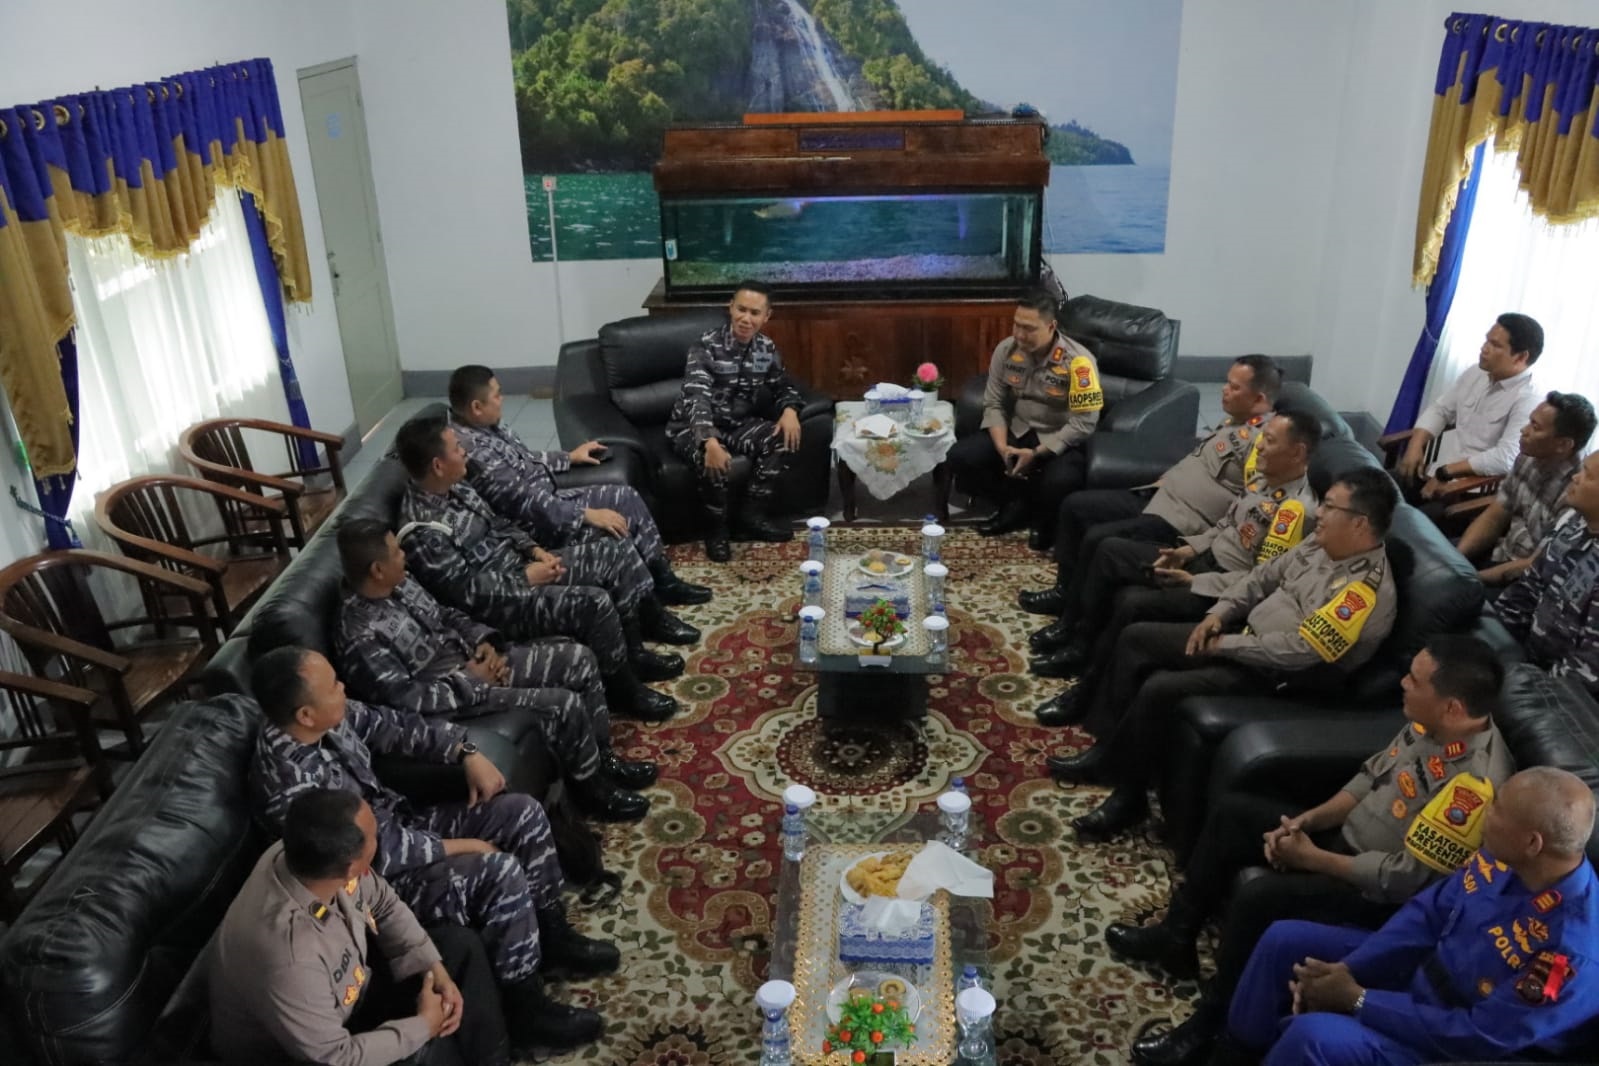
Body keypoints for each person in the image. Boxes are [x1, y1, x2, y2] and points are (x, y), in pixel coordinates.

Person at [1113, 637, 1512, 1066]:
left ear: (1452, 707)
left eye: (1414, 681)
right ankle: (1176, 936)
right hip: (1343, 842)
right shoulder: (1426, 722)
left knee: (1259, 899)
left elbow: (1404, 878)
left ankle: (1210, 1026)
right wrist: (1305, 822)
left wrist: (1312, 859)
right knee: (1236, 815)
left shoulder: (1474, 788)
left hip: (1375, 897)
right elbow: (1368, 779)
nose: (1402, 683)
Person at [248, 647, 611, 1051]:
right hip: (371, 886)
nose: (342, 687)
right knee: (499, 873)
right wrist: (465, 846)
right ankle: (526, 1011)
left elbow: (397, 727)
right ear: (305, 715)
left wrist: (465, 751)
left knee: (521, 814)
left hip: (401, 824)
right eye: (333, 685)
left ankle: (553, 937)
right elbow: (371, 856)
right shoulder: (289, 785)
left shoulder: (329, 716)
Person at [1054, 467, 1401, 840]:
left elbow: (1299, 652)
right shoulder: (1323, 542)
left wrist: (1225, 645)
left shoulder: (1362, 592)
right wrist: (1219, 613)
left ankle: (1129, 797)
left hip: (1280, 678)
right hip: (1243, 637)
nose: (1319, 512)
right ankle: (1108, 750)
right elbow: (1263, 577)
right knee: (1137, 638)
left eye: (1330, 506)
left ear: (1360, 523)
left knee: (1161, 687)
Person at [1226, 767, 1599, 1065]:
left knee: (1313, 1039)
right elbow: (1425, 917)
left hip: (1458, 1041)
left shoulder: (1571, 952)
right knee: (1283, 941)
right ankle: (1233, 1050)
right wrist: (1346, 971)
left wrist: (1358, 999)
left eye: (1497, 810)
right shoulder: (1500, 857)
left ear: (1531, 843)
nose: (1485, 815)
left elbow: (1479, 1036)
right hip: (1421, 976)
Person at [334, 519, 656, 821]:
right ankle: (594, 792)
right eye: (396, 552)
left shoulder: (401, 583)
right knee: (564, 704)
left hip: (476, 663)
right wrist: (471, 680)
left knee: (579, 660)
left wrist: (483, 641)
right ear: (377, 570)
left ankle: (604, 761)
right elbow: (406, 700)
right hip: (455, 703)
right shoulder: (359, 635)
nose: (403, 554)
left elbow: (446, 614)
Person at [1031, 410, 1321, 714]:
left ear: (1297, 452)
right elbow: (1223, 527)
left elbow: (1259, 581)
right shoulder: (1263, 478)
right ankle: (1077, 644)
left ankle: (1084, 695)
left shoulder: (1296, 513)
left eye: (1270, 441)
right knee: (1110, 551)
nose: (1259, 446)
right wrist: (1184, 553)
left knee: (1133, 604)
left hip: (1218, 587)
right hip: (1200, 560)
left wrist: (1195, 581)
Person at [392, 416, 680, 721]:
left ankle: (634, 654)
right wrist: (524, 577)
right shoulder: (423, 531)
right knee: (593, 603)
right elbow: (465, 593)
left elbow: (499, 523)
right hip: (502, 603)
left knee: (614, 554)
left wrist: (535, 550)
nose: (465, 449)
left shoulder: (456, 486)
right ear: (437, 465)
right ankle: (624, 690)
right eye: (455, 447)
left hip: (523, 567)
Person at [210, 789, 513, 1066]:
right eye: (374, 836)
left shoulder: (311, 857)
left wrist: (433, 969)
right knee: (425, 1053)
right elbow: (335, 1056)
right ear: (355, 867)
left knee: (458, 947)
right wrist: (423, 1025)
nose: (379, 837)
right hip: (304, 1050)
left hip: (351, 993)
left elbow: (384, 903)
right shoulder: (288, 958)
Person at [1018, 355, 1282, 622]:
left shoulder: (1265, 444)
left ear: (1259, 399)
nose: (1224, 390)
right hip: (1159, 494)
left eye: (1235, 387)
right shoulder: (1235, 422)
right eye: (1227, 382)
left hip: (1182, 519)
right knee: (1076, 506)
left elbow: (1245, 504)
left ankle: (1075, 615)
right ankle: (1063, 592)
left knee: (1098, 537)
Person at [447, 364, 711, 607]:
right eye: (497, 395)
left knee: (625, 496)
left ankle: (664, 580)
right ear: (476, 407)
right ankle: (645, 606)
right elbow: (526, 503)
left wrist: (569, 457)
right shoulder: (473, 451)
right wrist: (587, 514)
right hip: (534, 523)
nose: (501, 399)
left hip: (550, 499)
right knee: (614, 529)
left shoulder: (486, 425)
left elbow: (525, 460)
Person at [946, 289, 1103, 548]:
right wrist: (1002, 447)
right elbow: (994, 402)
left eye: (1028, 328)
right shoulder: (1006, 350)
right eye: (1016, 325)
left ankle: (1039, 516)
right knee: (961, 457)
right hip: (1017, 429)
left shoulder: (1080, 363)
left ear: (1051, 326)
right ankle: (1014, 504)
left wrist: (1038, 453)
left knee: (1059, 481)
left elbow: (1084, 422)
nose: (1019, 334)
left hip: (1058, 436)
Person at [666, 280, 805, 562]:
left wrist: (790, 409)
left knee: (782, 439)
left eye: (755, 313)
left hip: (737, 424)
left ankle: (750, 518)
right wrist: (709, 441)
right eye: (741, 309)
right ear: (730, 308)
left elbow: (784, 387)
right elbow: (696, 398)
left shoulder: (766, 348)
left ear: (767, 317)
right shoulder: (705, 346)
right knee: (715, 458)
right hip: (690, 427)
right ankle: (716, 529)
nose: (746, 318)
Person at [1396, 313, 1544, 505]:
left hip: (1472, 489)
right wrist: (1415, 445)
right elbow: (1441, 410)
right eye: (1486, 340)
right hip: (1437, 472)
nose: (1484, 348)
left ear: (1521, 357)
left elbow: (1505, 458)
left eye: (1496, 345)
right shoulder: (1476, 373)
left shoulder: (1529, 399)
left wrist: (1448, 472)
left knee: (1411, 523)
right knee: (1373, 490)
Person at [1456, 391, 1594, 590]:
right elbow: (1496, 515)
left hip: (1524, 581)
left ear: (1563, 445)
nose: (1524, 430)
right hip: (1500, 551)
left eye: (1535, 427)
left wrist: (1473, 579)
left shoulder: (1579, 490)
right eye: (1530, 421)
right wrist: (1457, 558)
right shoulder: (1528, 455)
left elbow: (1537, 563)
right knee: (1435, 560)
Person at [1493, 450, 1599, 691]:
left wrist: (1521, 690)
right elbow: (1528, 588)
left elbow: (1584, 673)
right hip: (1526, 656)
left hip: (1560, 695)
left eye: (1588, 475)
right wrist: (1491, 639)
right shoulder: (1575, 523)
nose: (1575, 477)